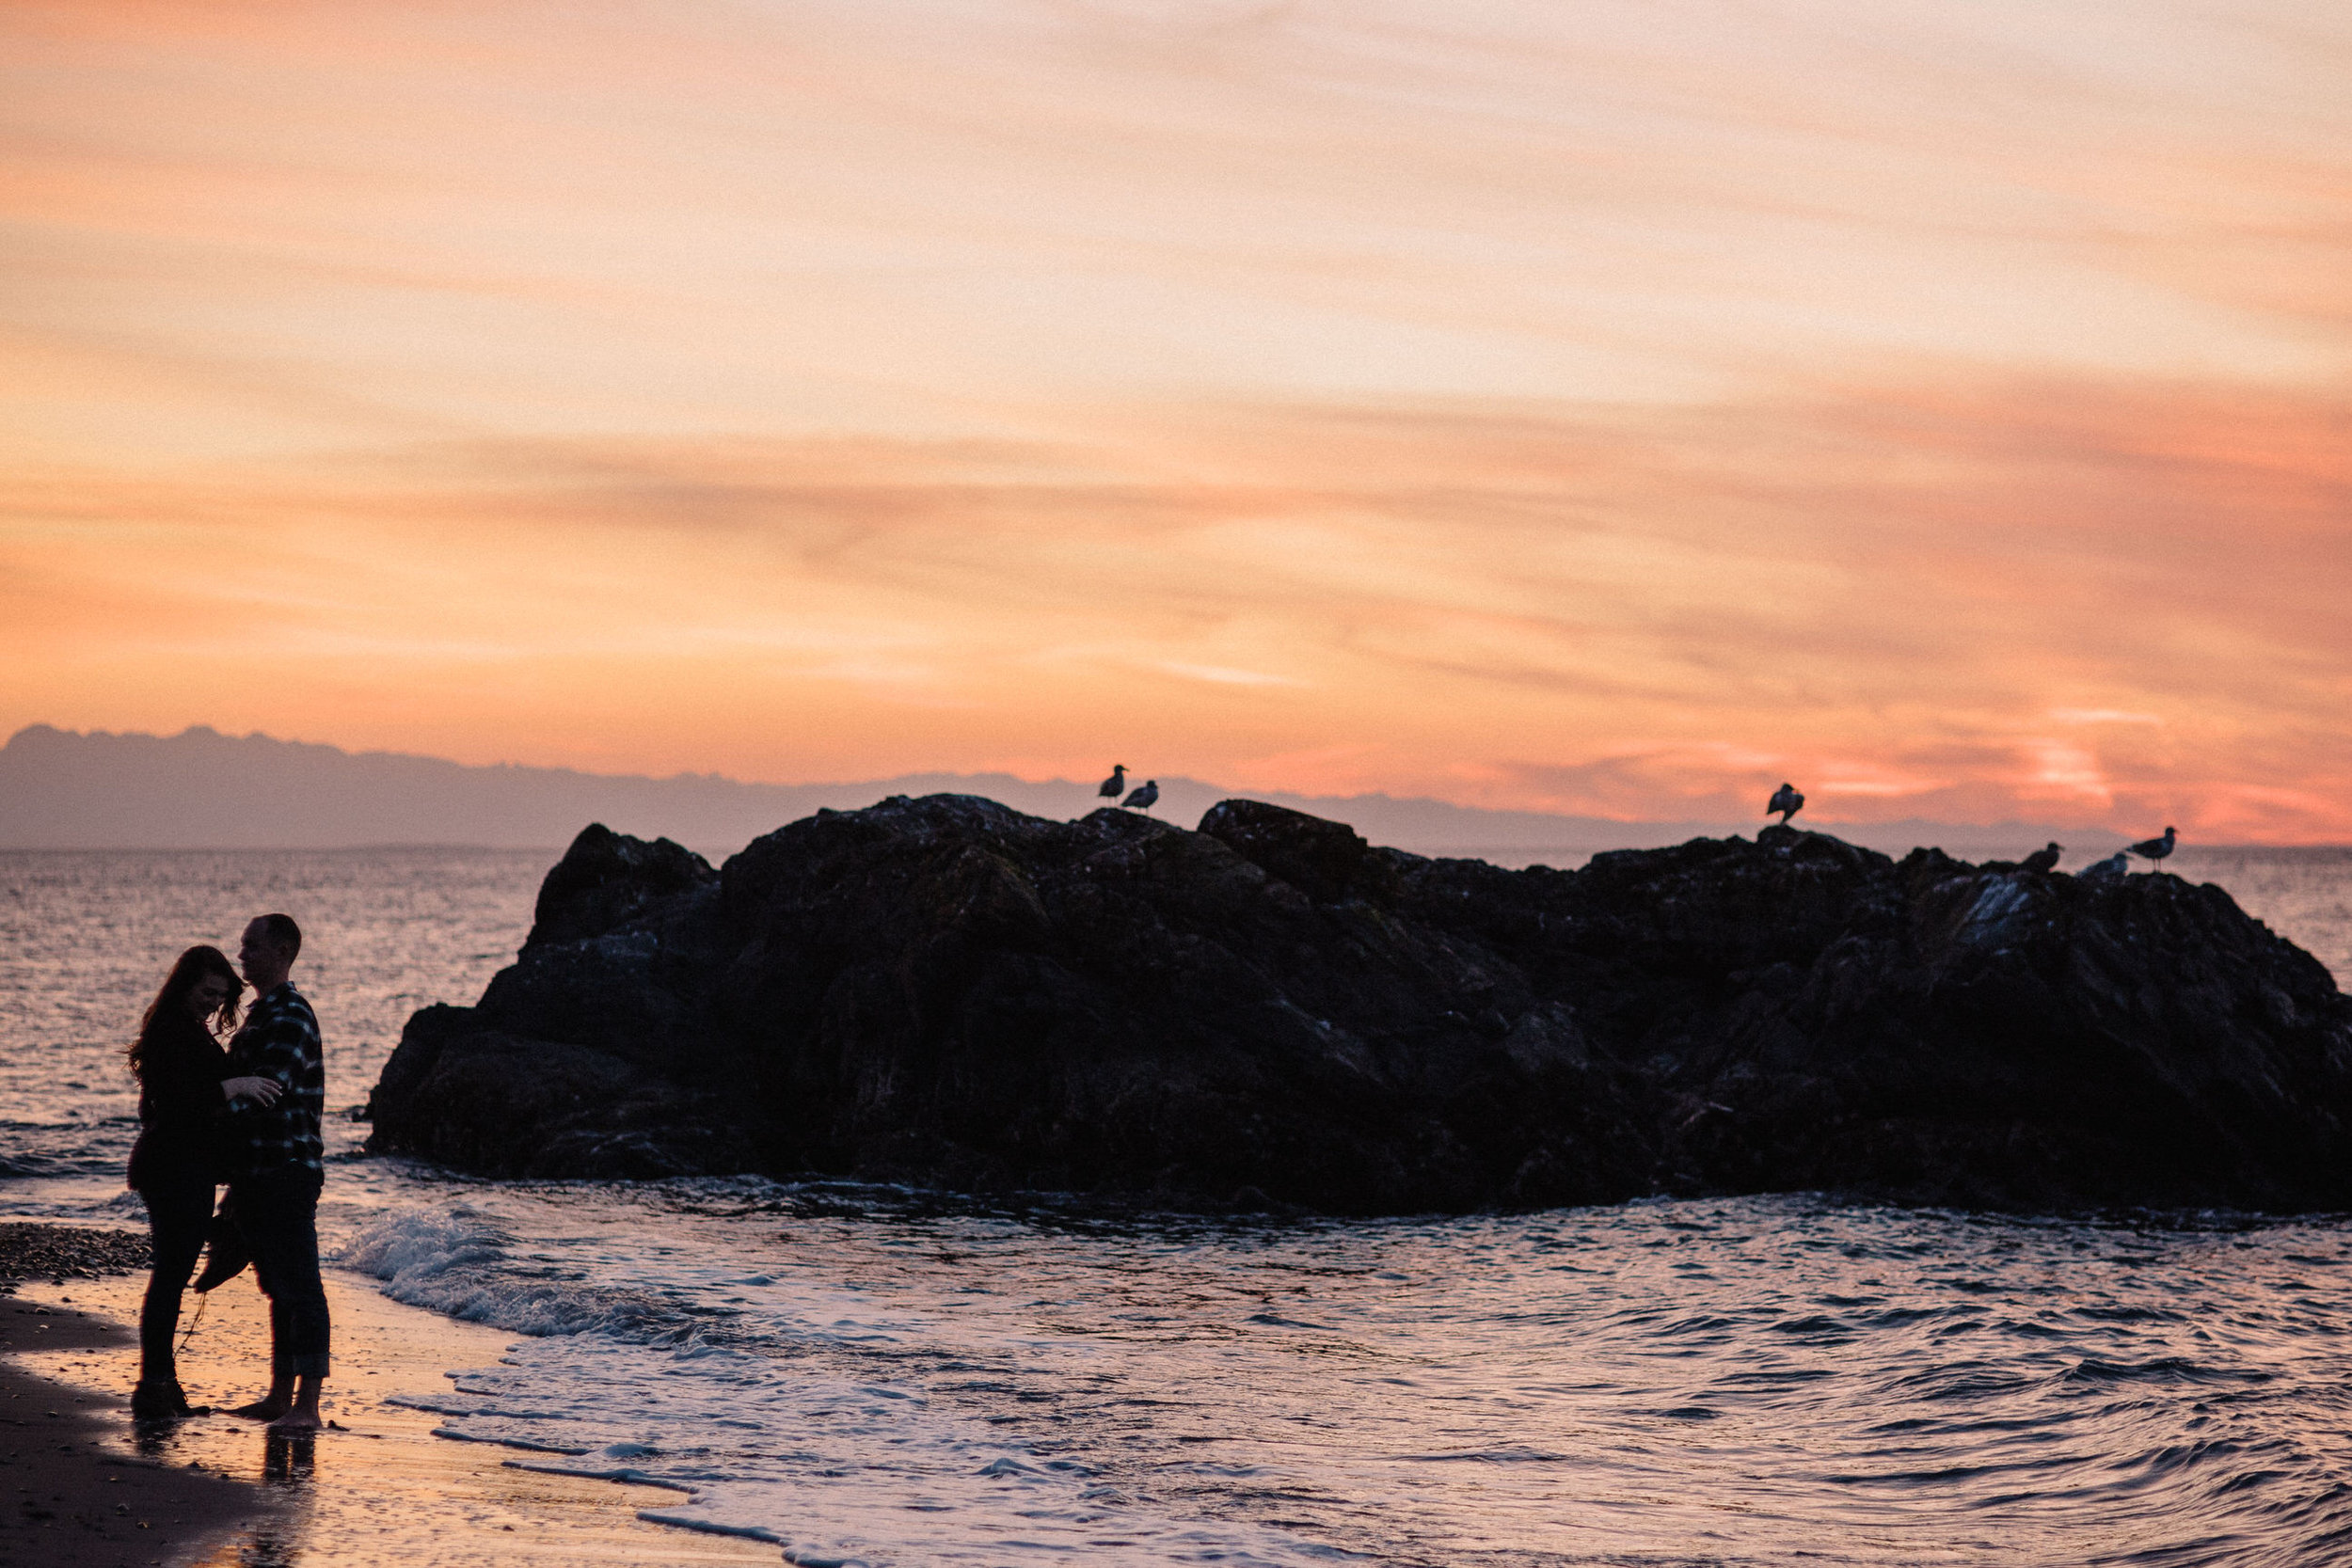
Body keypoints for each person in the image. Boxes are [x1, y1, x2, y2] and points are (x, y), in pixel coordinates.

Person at [124, 945, 282, 1420]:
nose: (213, 1003)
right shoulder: (170, 1028)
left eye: (220, 996)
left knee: (173, 1275)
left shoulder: (183, 1028)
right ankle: (155, 1387)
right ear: (184, 984)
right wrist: (229, 1088)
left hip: (181, 1167)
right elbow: (171, 1106)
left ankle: (162, 1385)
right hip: (171, 1168)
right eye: (207, 992)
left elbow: (159, 1105)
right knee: (170, 1277)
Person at [220, 912, 332, 1433]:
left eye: (251, 947)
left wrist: (196, 1116)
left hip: (288, 1168)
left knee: (301, 1288)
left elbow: (268, 1089)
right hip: (259, 1170)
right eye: (242, 947)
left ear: (282, 950)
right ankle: (278, 1397)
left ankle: (307, 1406)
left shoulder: (289, 1014)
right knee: (277, 1287)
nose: (241, 955)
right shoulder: (262, 1012)